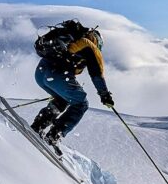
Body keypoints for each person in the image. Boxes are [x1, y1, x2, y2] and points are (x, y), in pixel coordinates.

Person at [30, 21, 114, 155]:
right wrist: (105, 95)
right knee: (81, 103)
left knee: (62, 100)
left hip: (40, 74)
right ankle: (54, 135)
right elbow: (96, 74)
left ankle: (38, 125)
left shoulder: (72, 41)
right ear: (97, 41)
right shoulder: (90, 46)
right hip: (55, 75)